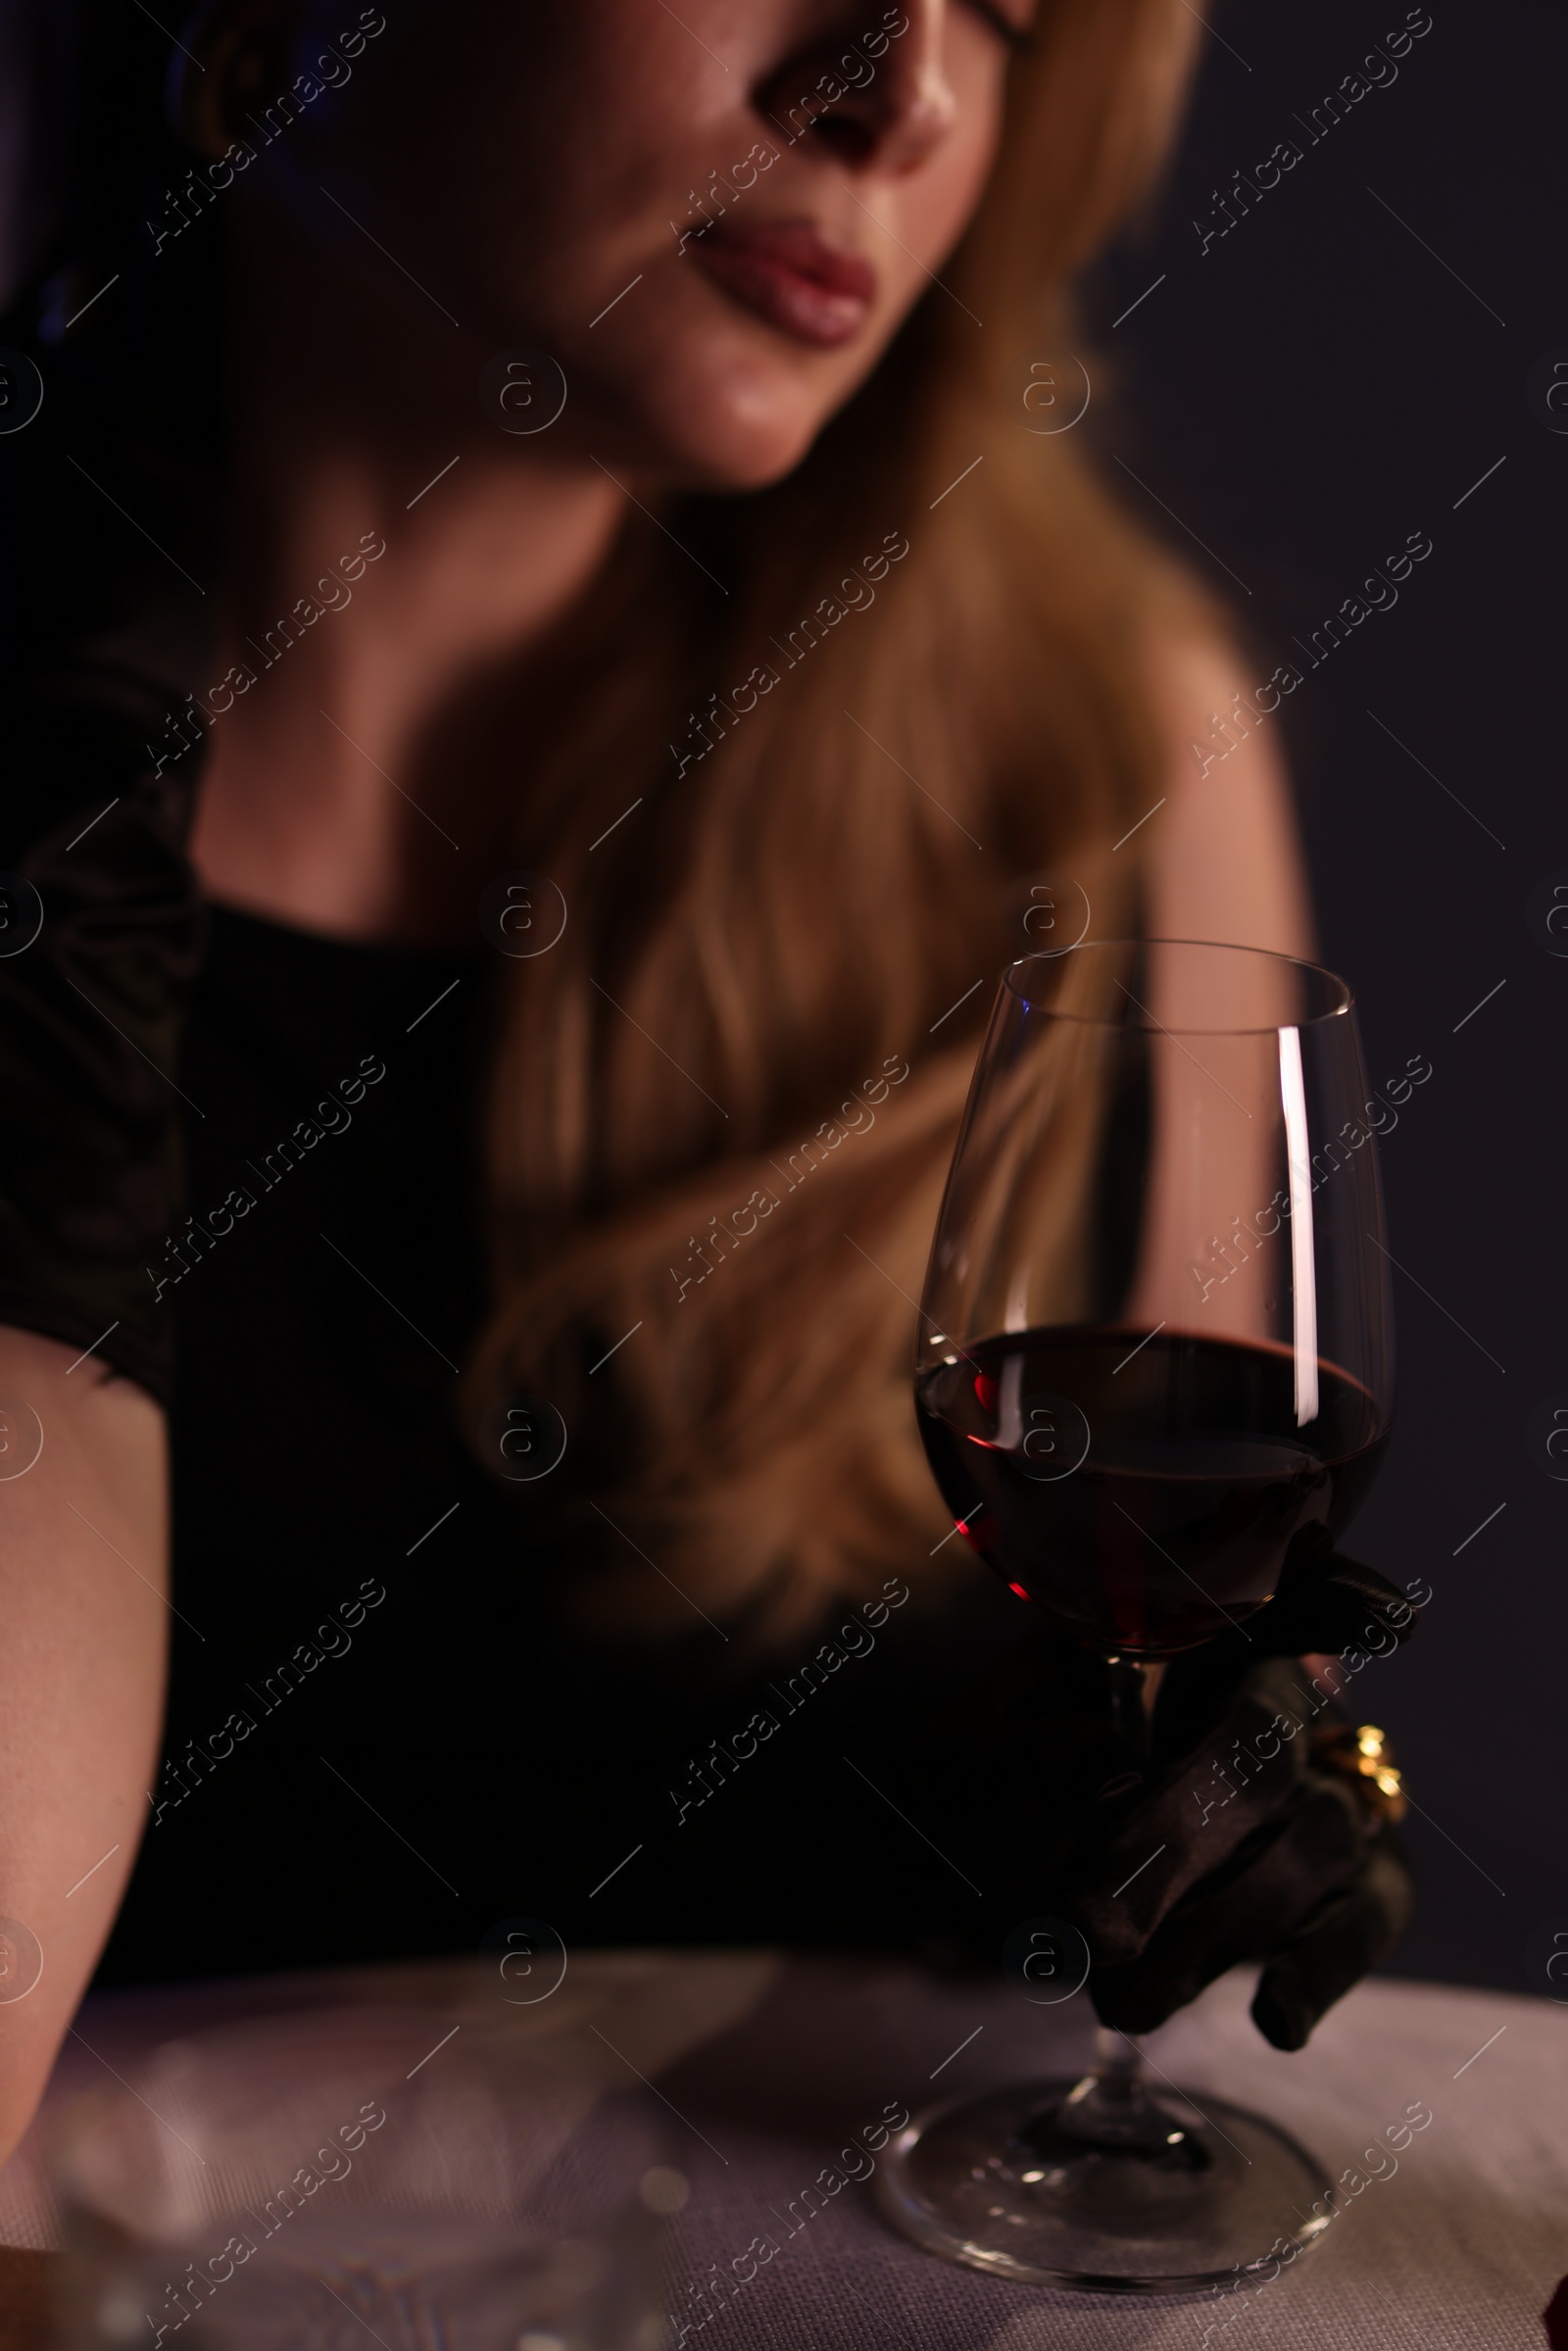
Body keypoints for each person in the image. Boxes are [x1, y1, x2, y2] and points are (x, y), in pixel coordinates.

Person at [0, 0, 1413, 2168]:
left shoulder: (1098, 760)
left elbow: (1086, 1671)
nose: (902, 92)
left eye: (1011, 15)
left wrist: (1173, 1789)